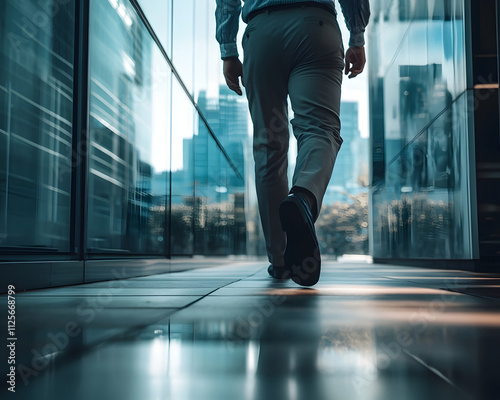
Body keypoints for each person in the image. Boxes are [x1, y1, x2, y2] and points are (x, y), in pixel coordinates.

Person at [216, 0, 370, 286]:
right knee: (319, 129)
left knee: (268, 147)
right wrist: (357, 36)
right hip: (315, 26)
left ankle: (280, 259)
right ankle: (303, 197)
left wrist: (228, 50)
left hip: (262, 32)